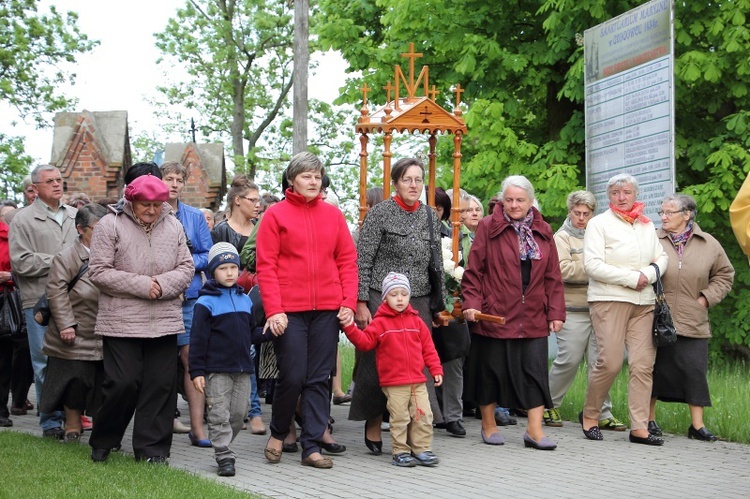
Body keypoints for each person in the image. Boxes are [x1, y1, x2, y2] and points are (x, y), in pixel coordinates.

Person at [257, 152, 358, 469]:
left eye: (317, 176)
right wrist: (274, 309)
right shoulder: (275, 216)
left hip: (327, 309)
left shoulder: (333, 215)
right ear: (291, 180)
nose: (313, 181)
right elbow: (266, 266)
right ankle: (278, 432)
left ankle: (312, 446)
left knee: (319, 378)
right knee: (293, 375)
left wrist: (348, 303)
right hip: (289, 311)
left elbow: (347, 262)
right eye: (306, 176)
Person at [87, 174, 193, 463]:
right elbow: (98, 271)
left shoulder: (173, 225)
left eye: (157, 204)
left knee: (160, 385)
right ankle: (104, 439)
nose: (151, 210)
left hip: (164, 320)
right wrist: (144, 285)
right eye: (145, 205)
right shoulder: (110, 225)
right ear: (131, 201)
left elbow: (186, 267)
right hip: (121, 320)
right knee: (123, 383)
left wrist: (162, 284)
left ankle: (152, 450)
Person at [461, 175, 565, 450]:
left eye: (520, 200)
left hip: (533, 314)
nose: (514, 205)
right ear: (502, 200)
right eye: (509, 200)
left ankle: (534, 429)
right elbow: (474, 272)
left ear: (531, 201)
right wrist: (472, 303)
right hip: (496, 312)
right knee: (491, 371)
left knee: (534, 372)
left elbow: (553, 276)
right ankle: (488, 424)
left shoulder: (544, 230)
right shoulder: (487, 227)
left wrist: (556, 312)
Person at [350, 157, 447, 450]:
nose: (414, 185)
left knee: (417, 365)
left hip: (417, 297)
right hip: (381, 296)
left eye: (418, 180)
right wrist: (362, 303)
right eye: (407, 179)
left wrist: (438, 304)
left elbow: (437, 263)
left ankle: (415, 430)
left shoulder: (431, 216)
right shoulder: (379, 213)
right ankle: (374, 422)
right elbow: (363, 259)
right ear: (395, 183)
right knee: (377, 362)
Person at [581, 173, 667, 446]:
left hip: (643, 303)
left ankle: (639, 427)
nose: (621, 197)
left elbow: (661, 256)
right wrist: (632, 278)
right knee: (611, 362)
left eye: (627, 192)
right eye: (616, 193)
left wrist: (650, 273)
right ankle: (591, 415)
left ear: (635, 194)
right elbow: (592, 265)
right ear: (609, 196)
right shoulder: (598, 224)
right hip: (609, 300)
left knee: (643, 365)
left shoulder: (645, 224)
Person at [648, 194, 733, 441]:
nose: (663, 216)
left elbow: (725, 275)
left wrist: (705, 299)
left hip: (693, 317)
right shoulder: (651, 238)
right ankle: (649, 419)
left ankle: (697, 426)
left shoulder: (709, 243)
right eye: (661, 212)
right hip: (656, 316)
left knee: (695, 370)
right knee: (652, 369)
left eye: (669, 212)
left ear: (687, 215)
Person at [341, 272, 443, 467]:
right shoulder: (380, 323)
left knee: (423, 414)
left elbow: (428, 348)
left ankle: (421, 449)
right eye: (394, 294)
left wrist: (436, 369)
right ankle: (400, 451)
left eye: (404, 294)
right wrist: (349, 327)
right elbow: (364, 343)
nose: (399, 299)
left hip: (418, 380)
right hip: (394, 382)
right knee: (400, 417)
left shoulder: (417, 321)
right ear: (385, 297)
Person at [544, 191, 626, 431]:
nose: (581, 218)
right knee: (568, 359)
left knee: (600, 362)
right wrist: (597, 267)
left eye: (586, 214)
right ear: (570, 212)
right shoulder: (561, 238)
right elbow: (563, 271)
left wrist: (597, 268)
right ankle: (548, 405)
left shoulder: (599, 234)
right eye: (577, 213)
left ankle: (601, 411)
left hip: (601, 307)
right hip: (573, 309)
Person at [9, 164, 78, 439]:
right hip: (39, 299)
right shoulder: (23, 219)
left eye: (59, 180)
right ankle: (50, 419)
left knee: (75, 359)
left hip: (76, 298)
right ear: (35, 188)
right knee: (44, 361)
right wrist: (61, 261)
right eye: (50, 181)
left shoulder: (75, 215)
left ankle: (74, 414)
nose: (57, 185)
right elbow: (21, 262)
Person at [190, 242, 266, 477]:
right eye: (224, 268)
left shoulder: (245, 301)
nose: (230, 273)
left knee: (237, 414)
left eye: (234, 267)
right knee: (219, 414)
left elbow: (253, 333)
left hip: (243, 369)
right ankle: (224, 455)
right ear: (213, 271)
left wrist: (270, 330)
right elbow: (198, 340)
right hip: (217, 370)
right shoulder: (205, 303)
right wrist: (197, 372)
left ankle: (223, 444)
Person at [39, 204, 108, 443]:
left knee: (102, 382)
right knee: (73, 381)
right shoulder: (67, 256)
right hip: (76, 331)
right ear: (81, 229)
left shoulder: (115, 253)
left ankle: (103, 429)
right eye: (98, 229)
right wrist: (66, 325)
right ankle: (71, 424)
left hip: (105, 330)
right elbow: (56, 292)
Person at [160, 161, 213, 447]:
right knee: (161, 361)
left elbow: (208, 254)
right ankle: (162, 420)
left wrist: (186, 263)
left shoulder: (193, 216)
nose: (175, 184)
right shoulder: (151, 212)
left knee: (192, 360)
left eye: (179, 180)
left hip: (190, 297)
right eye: (169, 178)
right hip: (159, 299)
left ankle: (198, 428)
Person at [212, 174, 265, 435]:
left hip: (255, 298)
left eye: (259, 200)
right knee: (240, 353)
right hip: (228, 299)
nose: (258, 205)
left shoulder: (261, 226)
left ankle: (252, 409)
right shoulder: (221, 231)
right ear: (237, 200)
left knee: (252, 353)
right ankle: (243, 410)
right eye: (253, 200)